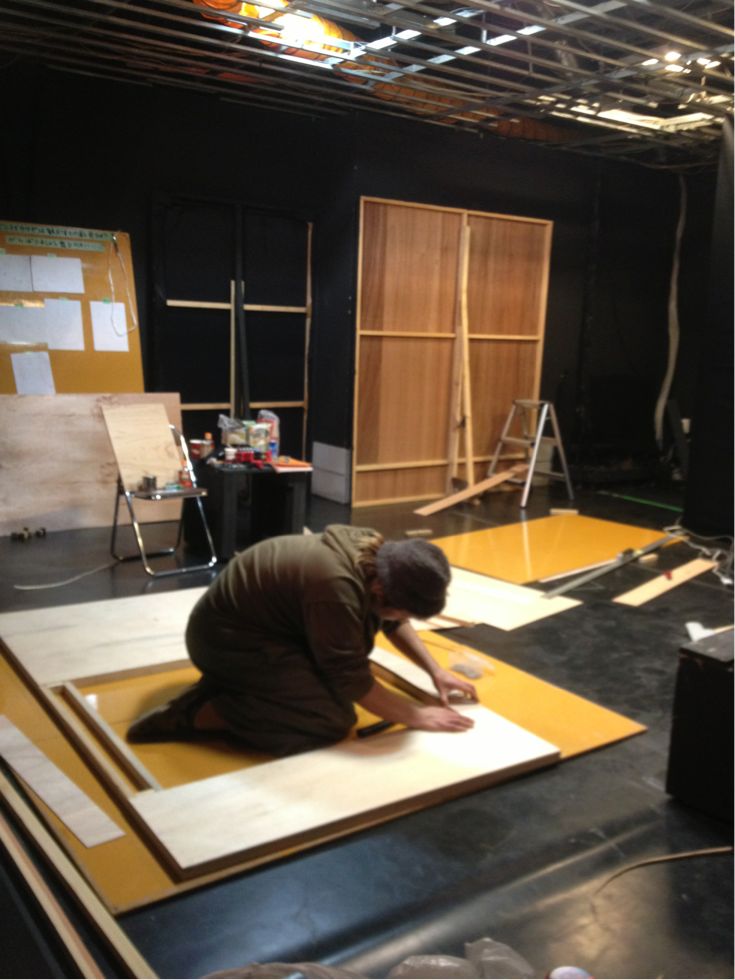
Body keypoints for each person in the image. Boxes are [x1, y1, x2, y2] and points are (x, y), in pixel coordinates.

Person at [127, 524, 477, 755]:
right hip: (225, 642)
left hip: (266, 632)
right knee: (328, 721)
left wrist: (434, 671)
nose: (402, 621)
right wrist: (416, 716)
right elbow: (350, 677)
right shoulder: (335, 586)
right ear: (381, 590)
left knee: (340, 685)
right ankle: (193, 715)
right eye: (403, 613)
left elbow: (390, 621)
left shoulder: (378, 560)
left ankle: (237, 690)